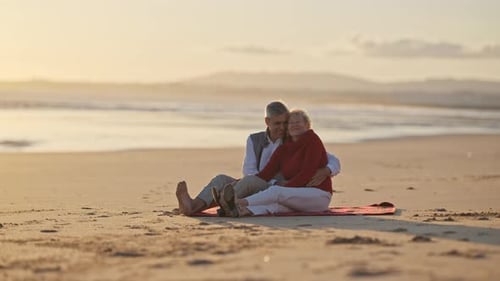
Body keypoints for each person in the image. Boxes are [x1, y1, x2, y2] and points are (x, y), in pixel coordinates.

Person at [176, 101, 340, 216]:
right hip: (259, 185)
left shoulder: (293, 140)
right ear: (267, 121)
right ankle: (193, 205)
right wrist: (241, 184)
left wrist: (327, 170)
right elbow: (250, 171)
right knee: (221, 179)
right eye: (277, 124)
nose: (282, 128)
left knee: (248, 182)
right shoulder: (254, 140)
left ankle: (223, 203)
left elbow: (331, 159)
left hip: (280, 188)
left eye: (285, 123)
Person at [218, 109, 332, 217]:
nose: (294, 125)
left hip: (318, 195)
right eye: (291, 123)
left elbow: (308, 172)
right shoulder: (284, 148)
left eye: (298, 122)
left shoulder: (313, 140)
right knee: (274, 206)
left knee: (276, 192)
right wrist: (241, 183)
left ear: (307, 125)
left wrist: (286, 187)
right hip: (296, 197)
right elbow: (265, 174)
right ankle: (241, 211)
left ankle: (238, 203)